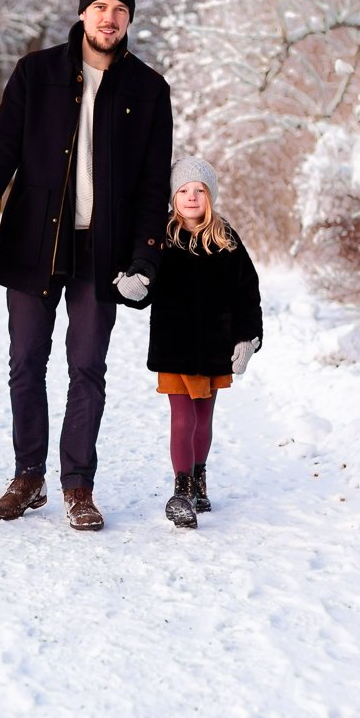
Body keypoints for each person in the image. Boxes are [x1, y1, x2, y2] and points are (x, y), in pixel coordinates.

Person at [0, 0, 173, 531]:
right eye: (100, 6)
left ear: (129, 20)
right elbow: (1, 150)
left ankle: (78, 486)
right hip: (34, 242)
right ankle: (28, 478)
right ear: (82, 13)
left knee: (87, 366)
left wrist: (146, 256)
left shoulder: (149, 91)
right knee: (25, 363)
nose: (109, 17)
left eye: (120, 9)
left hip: (104, 251)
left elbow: (152, 184)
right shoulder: (37, 73)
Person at [146, 157, 262, 529]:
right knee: (182, 417)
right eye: (183, 191)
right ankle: (181, 491)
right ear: (173, 197)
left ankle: (198, 478)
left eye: (199, 190)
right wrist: (131, 285)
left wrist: (248, 338)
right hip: (174, 344)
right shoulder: (161, 237)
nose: (192, 197)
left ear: (210, 196)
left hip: (215, 345)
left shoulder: (225, 238)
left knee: (203, 419)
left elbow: (248, 292)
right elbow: (142, 282)